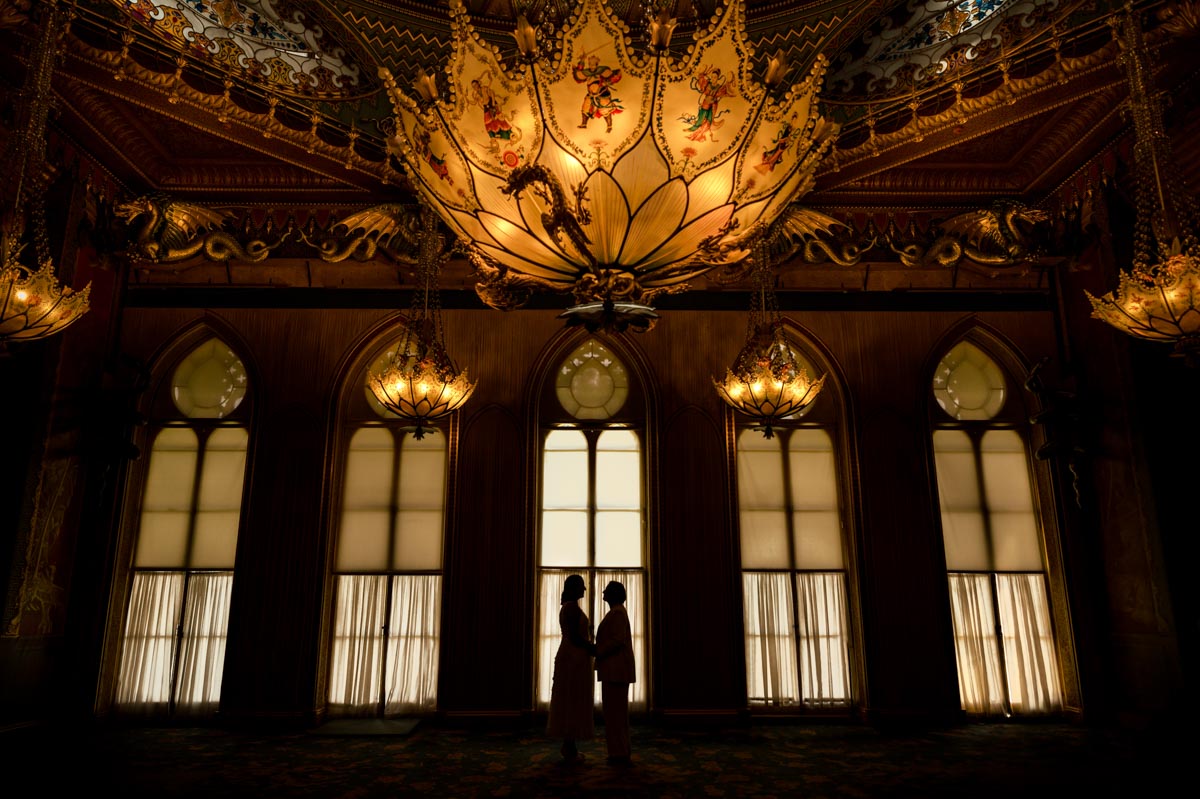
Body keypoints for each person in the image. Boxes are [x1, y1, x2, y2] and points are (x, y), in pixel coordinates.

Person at [546, 574, 596, 763]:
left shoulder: (569, 607)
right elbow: (575, 637)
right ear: (574, 588)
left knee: (570, 697)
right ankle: (569, 746)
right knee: (572, 697)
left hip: (571, 654)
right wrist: (593, 649)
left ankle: (569, 745)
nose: (584, 589)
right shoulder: (572, 608)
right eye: (582, 586)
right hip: (573, 657)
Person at [594, 580, 636, 766]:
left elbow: (617, 640)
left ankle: (619, 753)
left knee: (615, 714)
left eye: (606, 591)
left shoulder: (617, 613)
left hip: (616, 670)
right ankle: (620, 751)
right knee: (615, 713)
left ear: (614, 594)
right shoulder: (616, 612)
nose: (603, 593)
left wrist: (597, 650)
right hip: (615, 669)